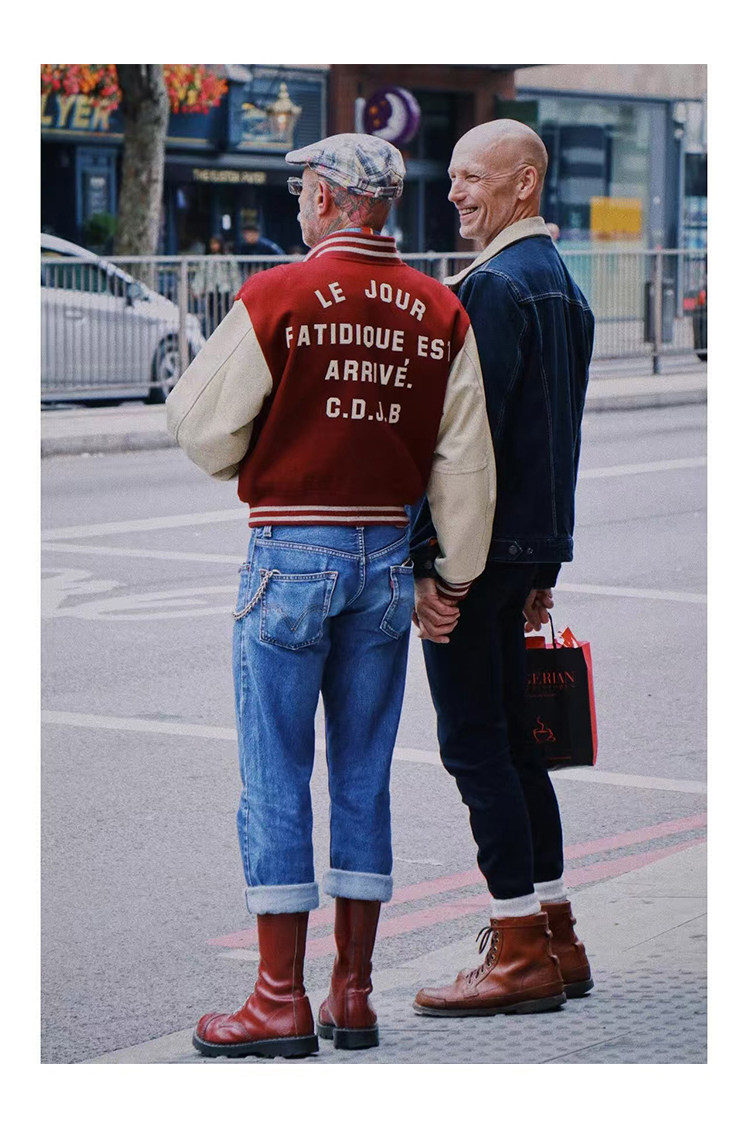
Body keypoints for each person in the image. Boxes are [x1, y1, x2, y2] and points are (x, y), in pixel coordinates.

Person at [166, 132, 496, 1058]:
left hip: (291, 549)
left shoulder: (277, 295)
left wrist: (260, 453)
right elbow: (464, 463)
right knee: (362, 771)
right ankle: (352, 993)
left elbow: (198, 424)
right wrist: (453, 575)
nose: (300, 205)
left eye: (301, 191)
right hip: (386, 558)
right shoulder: (440, 307)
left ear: (322, 198)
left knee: (275, 770)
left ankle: (278, 997)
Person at [409, 119, 595, 1017]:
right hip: (521, 553)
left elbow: (464, 443)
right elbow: (558, 441)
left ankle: (518, 951)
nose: (454, 193)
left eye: (472, 177)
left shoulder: (493, 288)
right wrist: (543, 565)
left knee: (474, 746)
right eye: (452, 177)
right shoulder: (563, 285)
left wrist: (435, 565)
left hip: (476, 556)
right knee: (521, 748)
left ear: (525, 184)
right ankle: (558, 937)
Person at [190, 234, 243, 336]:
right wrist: (197, 289)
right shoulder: (206, 260)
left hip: (225, 290)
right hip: (211, 290)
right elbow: (201, 275)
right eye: (212, 244)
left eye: (216, 243)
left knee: (226, 314)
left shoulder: (228, 259)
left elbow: (234, 276)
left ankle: (226, 335)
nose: (214, 246)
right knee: (212, 315)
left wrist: (236, 291)